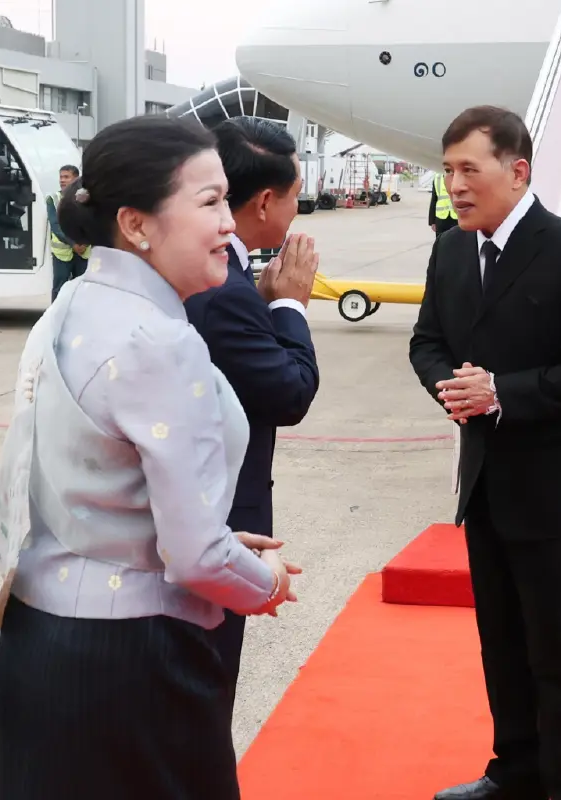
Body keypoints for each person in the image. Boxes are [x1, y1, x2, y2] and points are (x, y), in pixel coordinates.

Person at [0, 114, 302, 800]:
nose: (229, 223)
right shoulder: (157, 341)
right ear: (138, 225)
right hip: (133, 664)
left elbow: (93, 483)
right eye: (208, 203)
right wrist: (264, 581)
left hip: (45, 639)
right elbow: (196, 556)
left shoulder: (75, 304)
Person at [409, 106, 561, 800]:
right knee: (500, 641)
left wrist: (500, 393)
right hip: (486, 483)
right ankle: (516, 772)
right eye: (447, 171)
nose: (456, 185)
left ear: (518, 170)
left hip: (555, 488)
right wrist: (456, 391)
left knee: (557, 649)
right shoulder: (449, 251)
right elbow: (426, 342)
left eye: (470, 169)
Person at [183, 116, 321, 708]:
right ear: (264, 201)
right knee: (205, 687)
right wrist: (290, 303)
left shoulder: (228, 277)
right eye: (294, 197)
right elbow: (289, 393)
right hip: (216, 519)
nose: (298, 210)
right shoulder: (224, 286)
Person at [47, 164, 90, 300]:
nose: (62, 180)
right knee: (59, 289)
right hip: (62, 254)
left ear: (76, 179)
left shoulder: (87, 199)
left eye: (66, 177)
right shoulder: (53, 199)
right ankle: (56, 319)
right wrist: (74, 244)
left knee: (82, 289)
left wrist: (84, 243)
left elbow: (92, 222)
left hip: (83, 252)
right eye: (61, 177)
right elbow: (55, 226)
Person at [429, 171, 459, 236]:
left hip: (456, 216)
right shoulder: (437, 178)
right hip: (441, 217)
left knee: (457, 242)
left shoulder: (458, 176)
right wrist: (432, 221)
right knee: (441, 242)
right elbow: (434, 200)